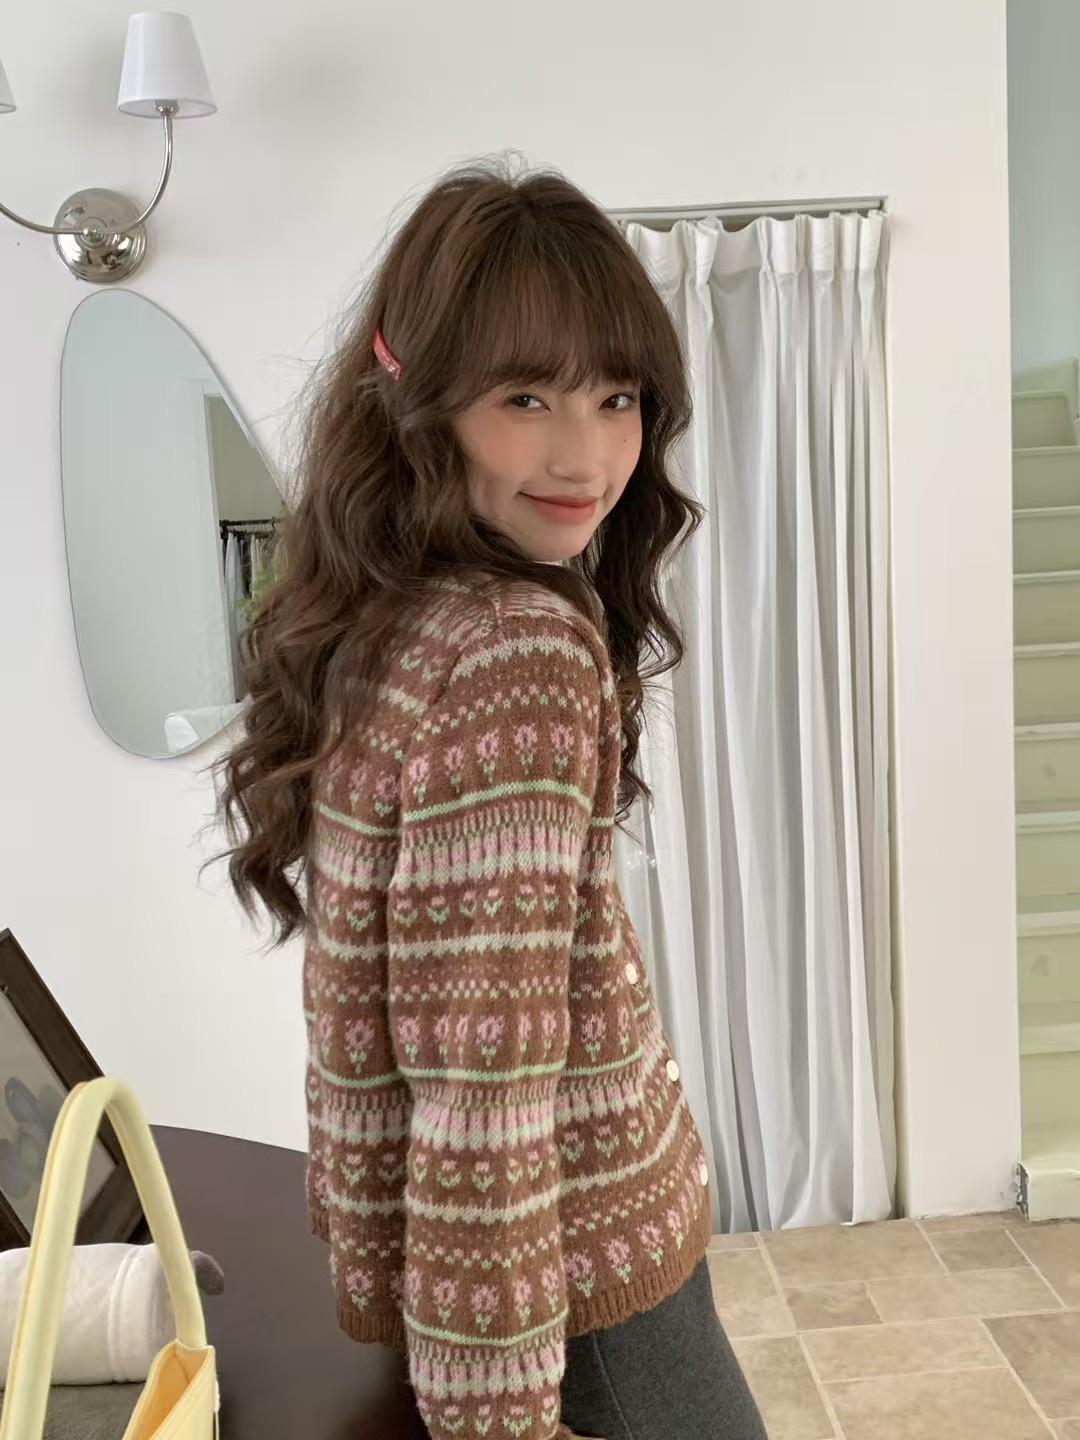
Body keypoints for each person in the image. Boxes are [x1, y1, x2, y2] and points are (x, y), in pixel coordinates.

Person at [207, 151, 768, 1440]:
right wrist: (497, 1419)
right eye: (526, 396)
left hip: (502, 1274)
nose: (588, 455)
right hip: (585, 1281)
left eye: (617, 397)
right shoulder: (517, 648)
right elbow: (483, 1085)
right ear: (420, 400)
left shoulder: (382, 615)